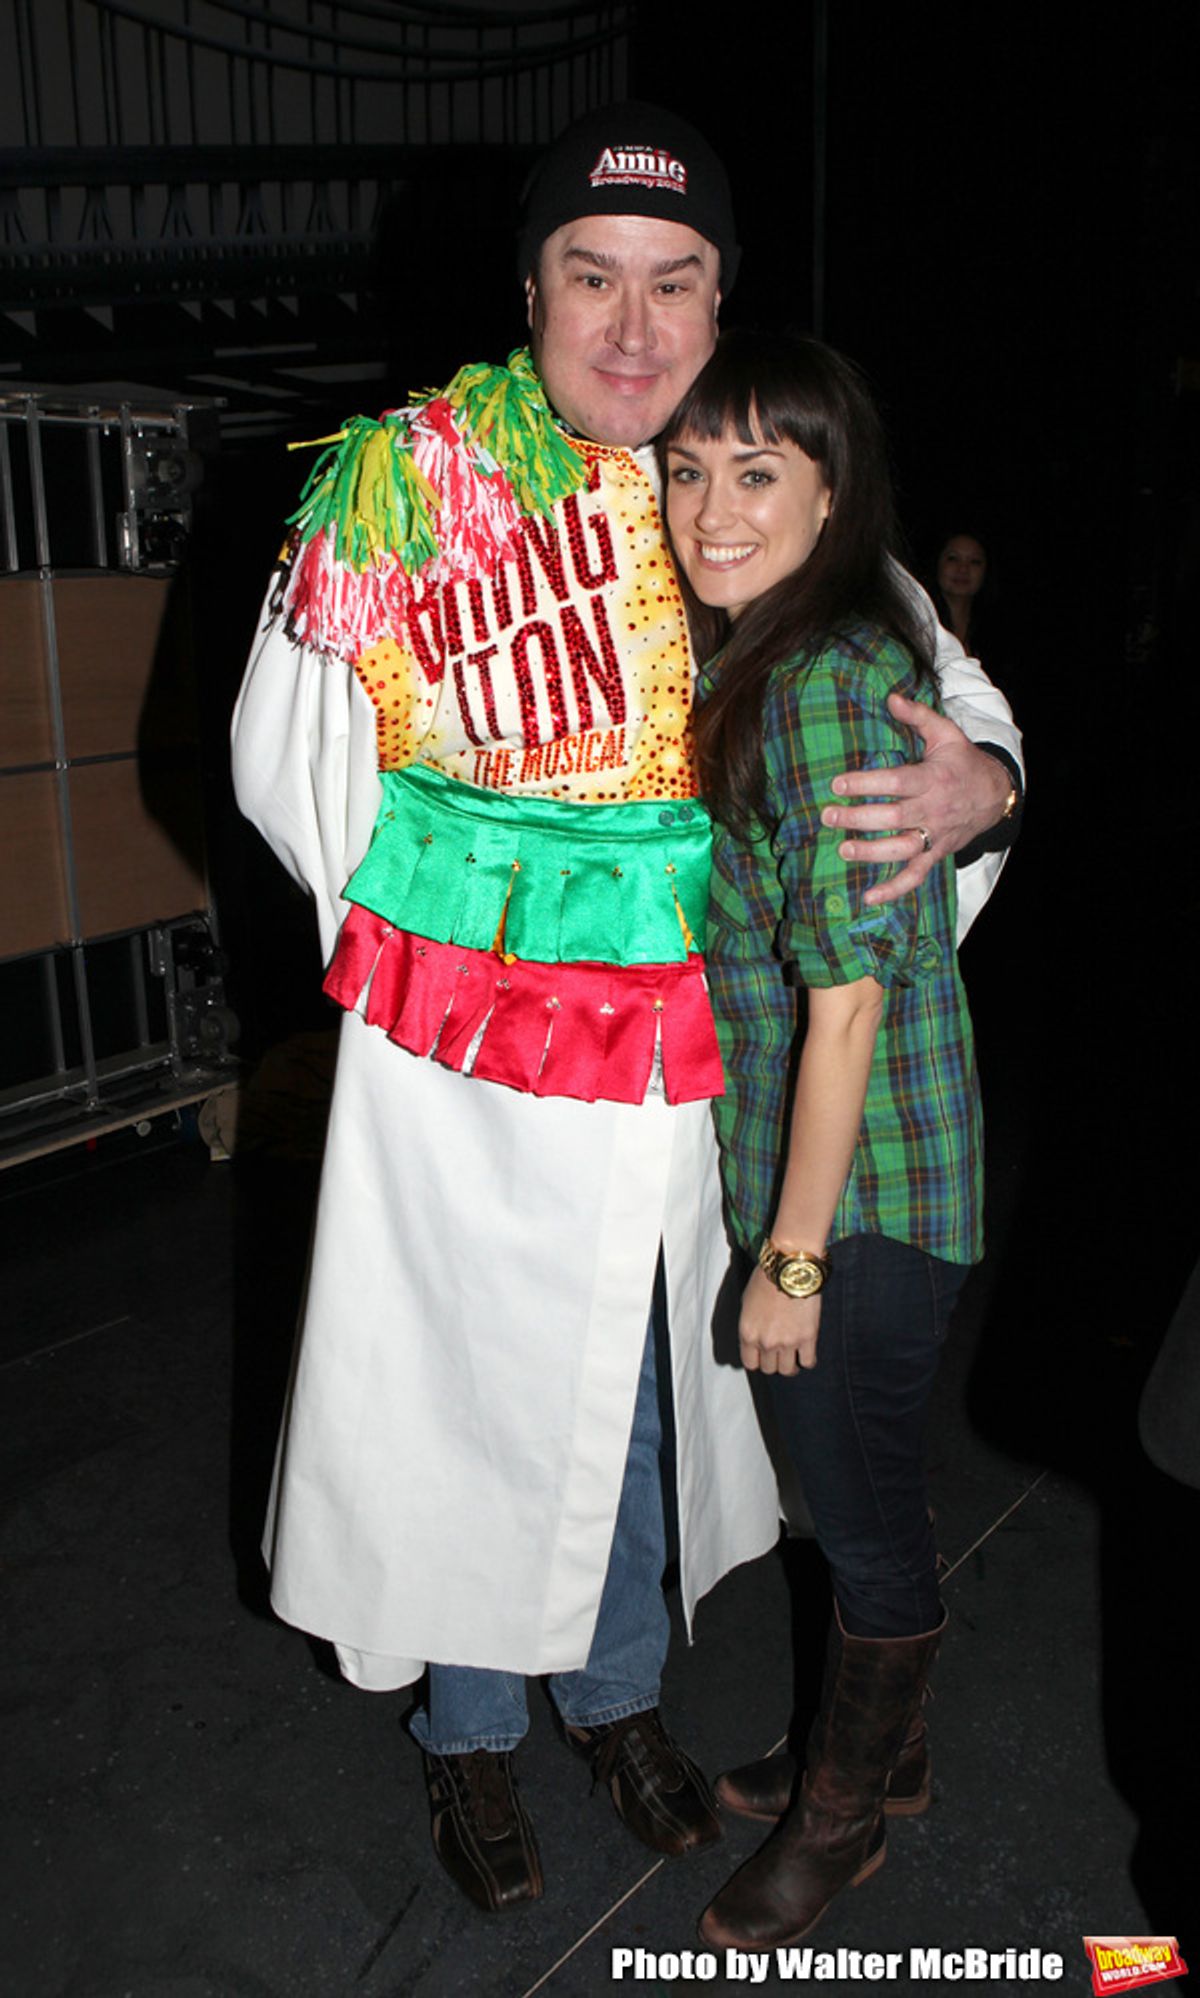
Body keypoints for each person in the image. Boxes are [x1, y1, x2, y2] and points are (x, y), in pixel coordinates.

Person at [231, 103, 1021, 1916]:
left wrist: (984, 783)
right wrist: (454, 932)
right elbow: (289, 754)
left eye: (677, 282)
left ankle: (614, 1697)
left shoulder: (743, 473)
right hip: (464, 1056)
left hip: (690, 1059)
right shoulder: (411, 476)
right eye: (595, 277)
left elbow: (945, 688)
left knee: (635, 1388)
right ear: (532, 290)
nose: (636, 326)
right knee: (456, 1391)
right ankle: (471, 1736)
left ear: (721, 300)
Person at [660, 328, 986, 1946]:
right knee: (861, 1493)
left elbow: (841, 1007)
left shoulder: (806, 690)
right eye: (687, 471)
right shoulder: (813, 653)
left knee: (856, 1520)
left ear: (831, 492)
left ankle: (841, 1824)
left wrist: (788, 1258)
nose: (711, 510)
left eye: (756, 473)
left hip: (857, 1205)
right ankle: (883, 1753)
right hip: (879, 1182)